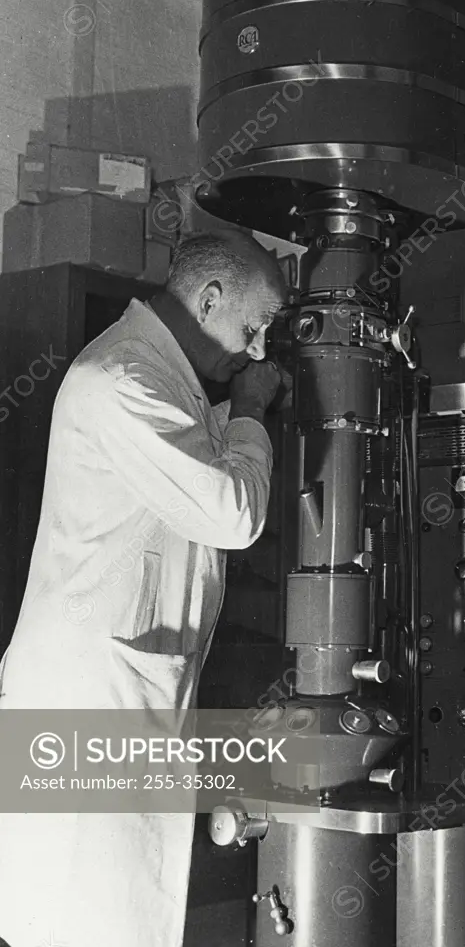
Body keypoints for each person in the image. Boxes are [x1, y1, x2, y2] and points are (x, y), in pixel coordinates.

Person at [0, 230, 288, 947]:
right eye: (252, 328)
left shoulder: (162, 385)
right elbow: (232, 511)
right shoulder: (124, 379)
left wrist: (241, 416)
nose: (255, 350)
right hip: (90, 702)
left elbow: (197, 461)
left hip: (117, 698)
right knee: (91, 920)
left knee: (108, 915)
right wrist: (251, 406)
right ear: (209, 298)